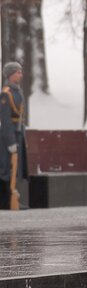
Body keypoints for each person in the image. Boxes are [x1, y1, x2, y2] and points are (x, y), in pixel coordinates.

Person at [0, 62, 27, 210]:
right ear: (10, 75)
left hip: (17, 133)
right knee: (6, 167)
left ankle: (13, 199)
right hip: (8, 136)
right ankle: (5, 201)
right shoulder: (6, 93)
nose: (20, 75)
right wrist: (10, 141)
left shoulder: (17, 91)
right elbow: (5, 120)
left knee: (16, 167)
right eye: (18, 72)